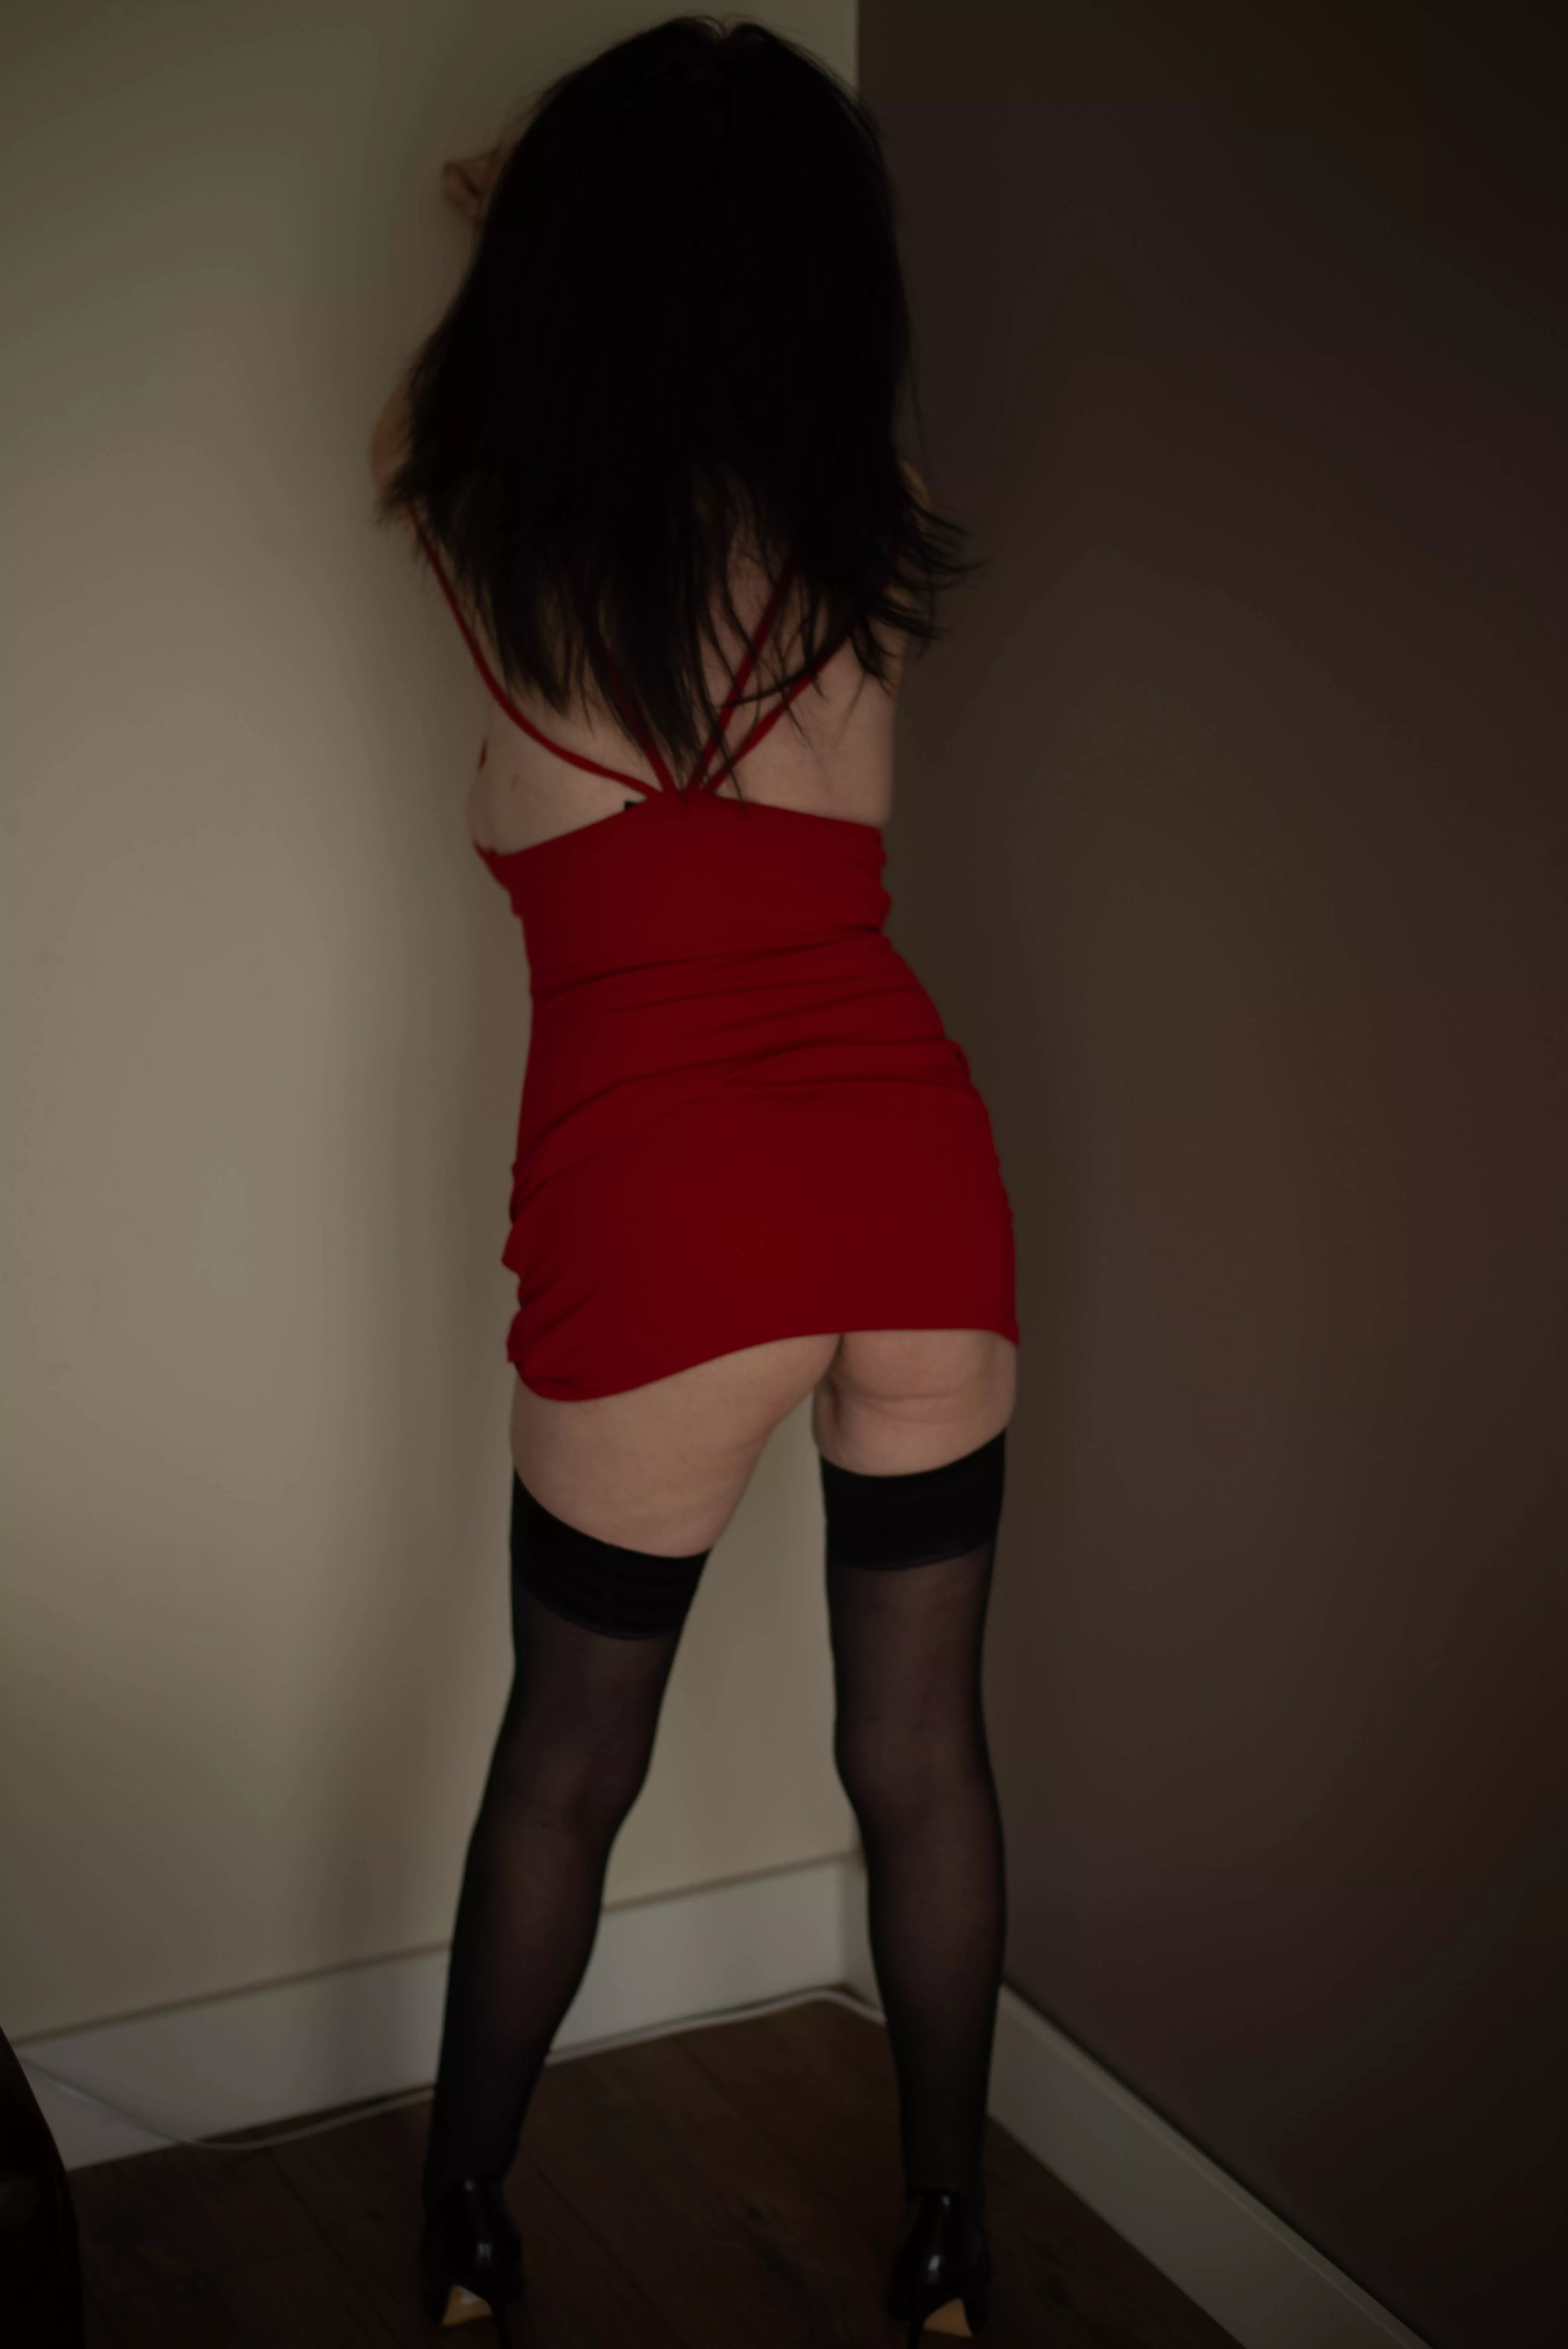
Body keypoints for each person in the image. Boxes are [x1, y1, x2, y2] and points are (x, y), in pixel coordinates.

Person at [371, 18, 1017, 2343]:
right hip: (917, 1176)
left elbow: (469, 369)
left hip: (674, 1209)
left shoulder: (484, 508)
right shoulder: (872, 513)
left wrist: (524, 208)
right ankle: (948, 2252)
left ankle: (465, 2232)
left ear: (578, 259)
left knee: (566, 1765)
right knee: (922, 1756)